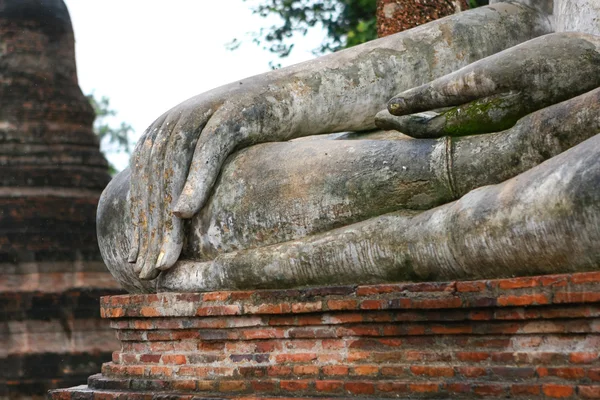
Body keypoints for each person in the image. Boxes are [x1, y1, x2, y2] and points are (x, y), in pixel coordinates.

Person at [97, 1, 600, 293]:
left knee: (585, 191)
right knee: (129, 213)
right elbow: (526, 18)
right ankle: (503, 157)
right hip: (461, 129)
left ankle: (461, 204)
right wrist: (275, 97)